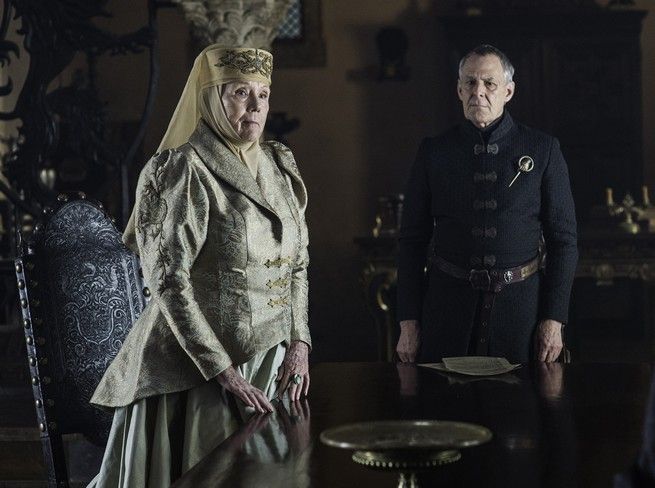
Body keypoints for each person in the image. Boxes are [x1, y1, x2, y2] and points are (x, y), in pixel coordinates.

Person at [88, 45, 311, 486]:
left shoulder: (279, 164)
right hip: (196, 370)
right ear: (211, 97)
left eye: (263, 94)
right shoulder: (183, 169)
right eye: (240, 93)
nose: (255, 106)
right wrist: (222, 371)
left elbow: (298, 263)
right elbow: (168, 281)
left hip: (272, 363)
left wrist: (299, 341)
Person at [396, 44, 577, 364]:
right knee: (444, 394)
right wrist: (408, 322)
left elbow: (563, 242)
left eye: (489, 83)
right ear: (459, 90)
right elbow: (411, 241)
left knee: (519, 396)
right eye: (470, 82)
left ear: (508, 91)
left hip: (520, 315)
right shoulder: (434, 152)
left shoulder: (543, 150)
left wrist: (554, 320)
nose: (478, 92)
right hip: (446, 312)